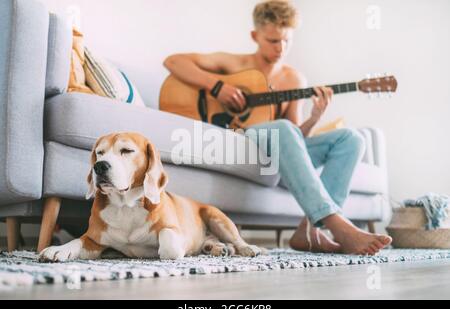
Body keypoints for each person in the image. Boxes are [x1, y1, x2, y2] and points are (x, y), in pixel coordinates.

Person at [163, 0, 392, 255]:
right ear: (255, 36)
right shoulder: (233, 65)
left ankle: (309, 229)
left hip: (276, 150)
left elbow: (295, 138)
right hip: (241, 144)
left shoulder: (293, 79)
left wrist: (314, 118)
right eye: (273, 41)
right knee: (281, 127)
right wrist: (218, 88)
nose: (280, 48)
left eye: (286, 41)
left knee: (352, 138)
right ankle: (336, 224)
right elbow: (173, 62)